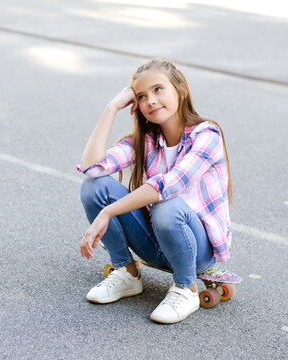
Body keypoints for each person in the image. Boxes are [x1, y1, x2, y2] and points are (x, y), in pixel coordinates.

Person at [77, 58, 232, 324]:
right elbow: (93, 168)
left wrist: (108, 213)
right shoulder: (146, 141)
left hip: (197, 249)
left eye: (158, 89)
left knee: (166, 204)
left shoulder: (207, 135)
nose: (150, 100)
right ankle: (127, 273)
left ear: (181, 89)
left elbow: (168, 185)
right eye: (141, 96)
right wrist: (111, 107)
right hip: (156, 242)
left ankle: (186, 289)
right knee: (94, 188)